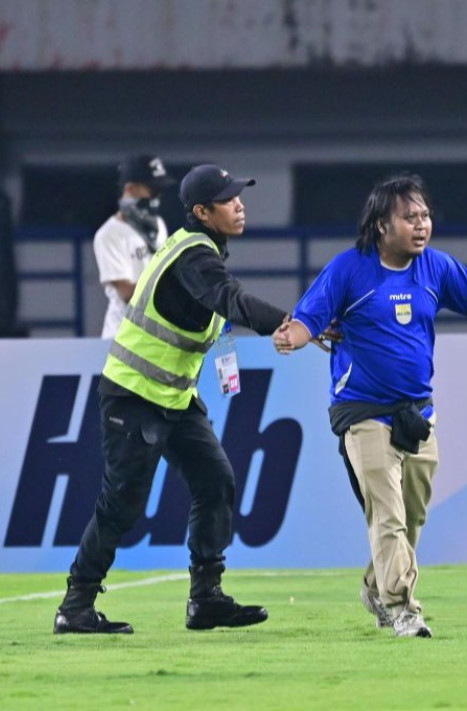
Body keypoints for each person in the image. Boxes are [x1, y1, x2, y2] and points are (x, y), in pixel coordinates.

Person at [273, 173, 467, 638]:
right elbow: (308, 319)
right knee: (388, 513)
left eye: (425, 216)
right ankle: (403, 609)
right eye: (409, 217)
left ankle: (378, 586)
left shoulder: (436, 268)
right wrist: (291, 338)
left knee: (412, 515)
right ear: (381, 225)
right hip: (362, 413)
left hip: (418, 414)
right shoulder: (348, 270)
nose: (421, 225)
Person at [55, 164, 290, 634]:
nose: (239, 203)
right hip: (134, 395)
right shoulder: (195, 257)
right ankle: (75, 607)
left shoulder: (199, 250)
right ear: (202, 212)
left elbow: (223, 305)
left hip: (173, 398)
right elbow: (233, 301)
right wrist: (293, 322)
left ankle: (206, 600)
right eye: (228, 199)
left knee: (215, 480)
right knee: (123, 502)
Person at [93, 154, 173, 339]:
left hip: (156, 334)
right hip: (123, 336)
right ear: (130, 189)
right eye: (153, 190)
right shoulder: (109, 234)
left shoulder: (159, 225)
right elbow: (127, 292)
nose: (157, 196)